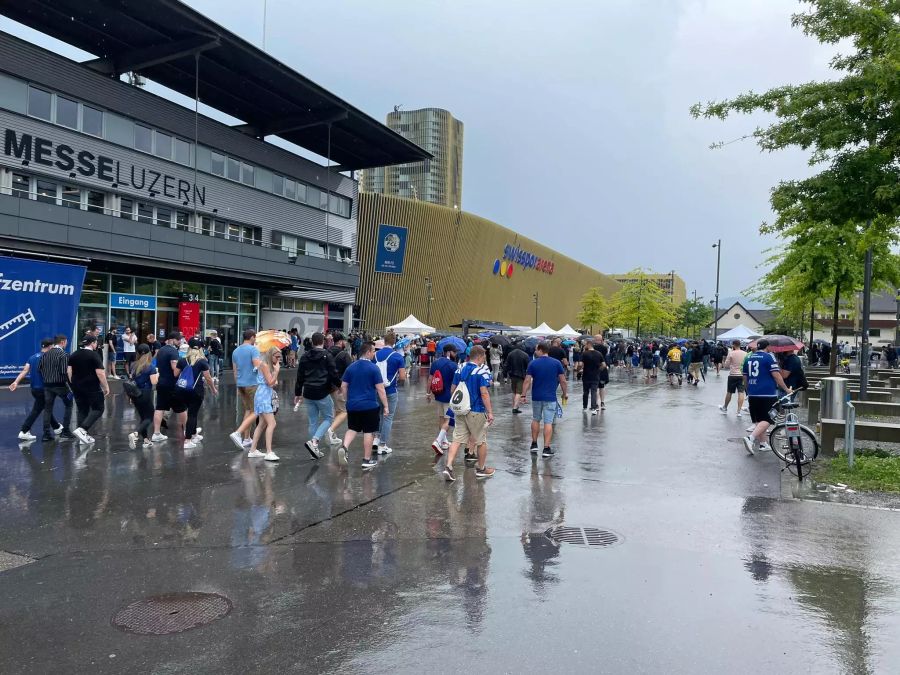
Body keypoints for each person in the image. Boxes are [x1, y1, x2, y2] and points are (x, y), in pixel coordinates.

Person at [442, 345, 495, 481]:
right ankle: (481, 469)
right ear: (480, 356)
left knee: (457, 439)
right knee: (481, 441)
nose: (484, 359)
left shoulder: (460, 369)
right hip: (476, 410)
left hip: (460, 411)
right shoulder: (480, 372)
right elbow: (484, 393)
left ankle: (448, 466)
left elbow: (453, 389)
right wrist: (490, 412)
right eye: (484, 357)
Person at [337, 341, 389, 470]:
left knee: (352, 428)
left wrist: (347, 398)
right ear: (368, 352)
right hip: (369, 405)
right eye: (373, 351)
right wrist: (386, 406)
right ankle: (366, 460)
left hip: (353, 405)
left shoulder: (351, 367)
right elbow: (381, 389)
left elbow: (343, 385)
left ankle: (344, 447)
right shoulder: (373, 368)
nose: (374, 353)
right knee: (368, 432)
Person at [294, 332, 340, 459]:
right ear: (323, 342)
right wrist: (340, 386)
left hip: (308, 391)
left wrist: (298, 393)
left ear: (313, 342)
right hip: (322, 391)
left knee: (312, 421)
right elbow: (333, 374)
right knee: (329, 418)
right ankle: (314, 441)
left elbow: (300, 376)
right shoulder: (327, 355)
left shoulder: (304, 357)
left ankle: (313, 451)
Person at [742, 339, 791, 455]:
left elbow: (745, 377)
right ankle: (751, 438)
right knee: (770, 418)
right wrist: (786, 389)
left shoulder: (749, 357)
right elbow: (776, 375)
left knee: (759, 420)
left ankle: (763, 444)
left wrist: (748, 390)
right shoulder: (769, 357)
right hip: (767, 393)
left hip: (753, 392)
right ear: (767, 346)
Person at [9, 338, 62, 441]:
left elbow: (25, 370)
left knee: (44, 407)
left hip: (34, 389)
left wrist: (16, 381)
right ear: (50, 347)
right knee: (37, 409)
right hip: (45, 389)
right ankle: (24, 430)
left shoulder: (32, 357)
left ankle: (57, 427)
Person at [522, 342, 567, 458]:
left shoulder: (533, 363)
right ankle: (546, 448)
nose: (535, 351)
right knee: (548, 422)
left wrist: (523, 394)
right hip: (550, 397)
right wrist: (564, 393)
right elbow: (562, 380)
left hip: (536, 396)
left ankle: (534, 444)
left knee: (536, 419)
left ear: (541, 350)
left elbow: (527, 380)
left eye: (536, 349)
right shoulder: (556, 363)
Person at [67, 334, 110, 444]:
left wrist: (73, 383)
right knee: (98, 409)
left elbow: (69, 371)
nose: (97, 344)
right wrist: (106, 386)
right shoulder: (94, 355)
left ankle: (83, 437)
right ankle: (82, 429)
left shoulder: (74, 354)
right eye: (96, 342)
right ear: (92, 343)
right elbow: (100, 373)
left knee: (82, 410)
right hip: (92, 387)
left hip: (77, 386)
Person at [179, 338, 217, 450]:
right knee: (192, 414)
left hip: (183, 389)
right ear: (200, 349)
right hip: (196, 390)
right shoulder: (202, 362)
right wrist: (213, 388)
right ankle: (187, 440)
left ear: (189, 348)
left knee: (191, 412)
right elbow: (208, 377)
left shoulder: (182, 360)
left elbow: (176, 373)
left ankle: (194, 434)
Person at [373, 332, 406, 455]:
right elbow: (402, 376)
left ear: (384, 341)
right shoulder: (398, 357)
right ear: (394, 342)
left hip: (376, 390)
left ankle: (376, 439)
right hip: (390, 390)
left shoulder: (375, 355)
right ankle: (383, 444)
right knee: (388, 416)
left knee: (379, 414)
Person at [229, 329, 262, 450]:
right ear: (252, 337)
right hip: (252, 384)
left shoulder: (236, 351)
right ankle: (238, 433)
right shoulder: (253, 349)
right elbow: (257, 364)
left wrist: (237, 385)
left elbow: (235, 370)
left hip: (241, 384)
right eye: (255, 337)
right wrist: (262, 363)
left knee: (248, 410)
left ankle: (247, 438)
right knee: (257, 411)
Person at [247, 347, 282, 461]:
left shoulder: (265, 365)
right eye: (276, 357)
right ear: (270, 355)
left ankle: (253, 450)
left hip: (263, 394)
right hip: (263, 396)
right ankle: (269, 452)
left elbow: (271, 382)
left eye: (279, 357)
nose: (278, 359)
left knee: (262, 424)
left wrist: (274, 376)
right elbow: (271, 383)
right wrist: (276, 372)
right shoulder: (266, 365)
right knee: (272, 423)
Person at [151, 331, 186, 442]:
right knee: (182, 409)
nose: (180, 341)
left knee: (159, 408)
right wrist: (183, 368)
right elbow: (175, 370)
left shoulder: (161, 350)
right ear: (173, 339)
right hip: (172, 384)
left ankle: (156, 433)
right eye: (178, 339)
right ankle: (188, 431)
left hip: (161, 382)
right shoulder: (173, 351)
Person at [39, 334, 75, 441]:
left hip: (47, 385)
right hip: (60, 385)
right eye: (66, 342)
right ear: (63, 342)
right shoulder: (64, 354)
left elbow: (39, 368)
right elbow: (64, 372)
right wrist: (71, 387)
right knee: (69, 405)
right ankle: (66, 431)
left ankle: (46, 434)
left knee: (48, 409)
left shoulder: (45, 354)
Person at [426, 344, 460, 455]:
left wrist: (428, 393)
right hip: (449, 397)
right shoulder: (453, 365)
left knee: (441, 418)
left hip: (438, 394)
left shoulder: (435, 362)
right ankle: (438, 441)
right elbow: (457, 383)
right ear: (449, 352)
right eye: (455, 352)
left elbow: (430, 378)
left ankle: (444, 442)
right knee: (448, 420)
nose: (456, 354)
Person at [127, 344, 158, 449]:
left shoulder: (133, 365)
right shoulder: (150, 367)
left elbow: (131, 380)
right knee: (149, 417)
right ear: (149, 353)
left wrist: (130, 397)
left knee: (143, 417)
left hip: (135, 394)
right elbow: (154, 382)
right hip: (145, 393)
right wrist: (158, 374)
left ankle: (145, 440)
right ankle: (135, 434)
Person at [326, 333, 354, 448]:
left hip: (327, 386)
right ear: (341, 342)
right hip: (339, 387)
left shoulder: (326, 352)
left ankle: (332, 435)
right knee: (344, 411)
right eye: (345, 341)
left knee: (337, 411)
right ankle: (330, 430)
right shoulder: (344, 355)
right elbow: (351, 371)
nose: (346, 343)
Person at [718, 340, 749, 417]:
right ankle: (738, 411)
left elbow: (726, 365)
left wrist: (724, 363)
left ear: (733, 345)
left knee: (729, 392)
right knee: (741, 392)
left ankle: (725, 407)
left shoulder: (731, 353)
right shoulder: (745, 354)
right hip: (742, 375)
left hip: (732, 375)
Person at [581, 340, 607, 414]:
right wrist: (599, 370)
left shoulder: (584, 354)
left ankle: (585, 407)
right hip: (595, 375)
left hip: (586, 375)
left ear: (588, 344)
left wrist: (580, 370)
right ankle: (593, 408)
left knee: (585, 392)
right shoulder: (599, 354)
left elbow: (580, 364)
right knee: (594, 392)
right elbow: (604, 365)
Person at [506, 344, 531, 414]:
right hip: (521, 376)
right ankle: (515, 408)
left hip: (512, 375)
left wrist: (506, 374)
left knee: (514, 392)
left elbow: (507, 364)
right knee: (519, 392)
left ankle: (515, 406)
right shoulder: (525, 355)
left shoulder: (510, 354)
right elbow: (528, 366)